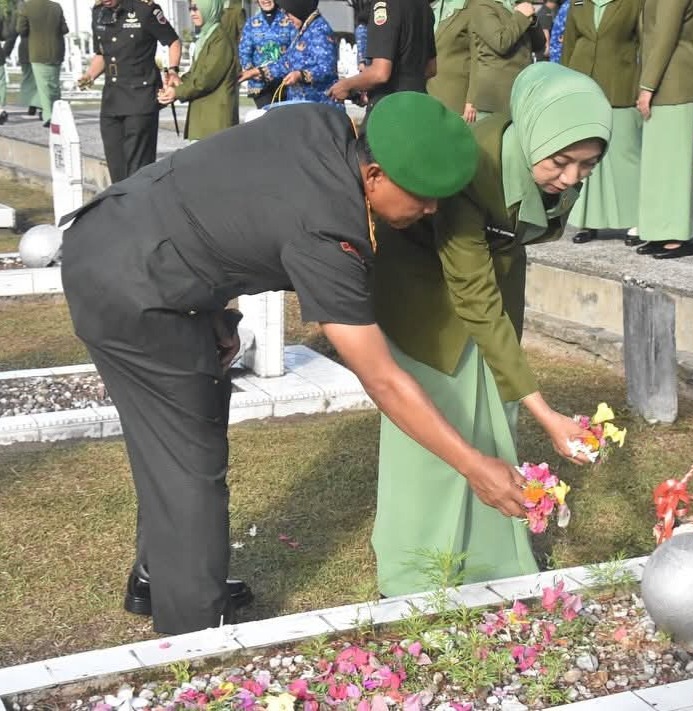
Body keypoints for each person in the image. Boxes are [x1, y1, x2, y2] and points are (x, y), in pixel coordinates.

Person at [60, 92, 531, 635]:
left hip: (128, 241)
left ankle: (161, 576)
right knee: (188, 453)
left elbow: (218, 198)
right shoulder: (331, 234)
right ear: (374, 174)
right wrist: (476, 467)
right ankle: (193, 628)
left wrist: (211, 307)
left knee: (176, 433)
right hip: (131, 286)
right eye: (425, 199)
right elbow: (382, 379)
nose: (432, 212)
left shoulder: (323, 123)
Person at [371, 64, 611, 597]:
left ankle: (488, 560)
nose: (571, 178)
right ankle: (414, 572)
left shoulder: (541, 156)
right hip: (423, 291)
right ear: (533, 136)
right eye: (561, 162)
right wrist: (545, 411)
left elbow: (506, 259)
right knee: (435, 428)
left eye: (587, 165)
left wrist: (525, 397)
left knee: (490, 422)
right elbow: (472, 296)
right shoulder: (472, 164)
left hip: (491, 277)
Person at [561, 0, 644, 244]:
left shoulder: (633, 4)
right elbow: (569, 46)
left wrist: (643, 86)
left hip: (621, 87)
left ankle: (636, 220)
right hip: (582, 87)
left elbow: (644, 46)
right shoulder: (578, 3)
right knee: (585, 155)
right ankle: (588, 222)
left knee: (625, 156)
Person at [78, 0, 181, 184]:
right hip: (112, 101)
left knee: (138, 169)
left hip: (140, 98)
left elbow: (173, 41)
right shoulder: (99, 13)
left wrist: (173, 70)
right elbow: (102, 54)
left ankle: (139, 209)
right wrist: (89, 76)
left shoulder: (145, 10)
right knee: (116, 168)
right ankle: (122, 208)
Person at [634, 0, 693, 259]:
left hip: (674, 82)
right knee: (659, 165)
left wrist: (647, 86)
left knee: (673, 165)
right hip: (662, 82)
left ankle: (678, 236)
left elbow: (665, 36)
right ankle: (661, 231)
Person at [328, 0, 436, 107]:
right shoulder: (424, 6)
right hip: (419, 103)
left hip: (389, 108)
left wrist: (346, 85)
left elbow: (380, 73)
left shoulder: (385, 5)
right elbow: (431, 68)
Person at [157, 0, 238, 140]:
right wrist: (178, 81)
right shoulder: (205, 37)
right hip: (203, 117)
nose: (192, 13)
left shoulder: (220, 40)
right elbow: (196, 73)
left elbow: (206, 79)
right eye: (190, 8)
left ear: (209, 9)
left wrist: (177, 92)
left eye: (196, 8)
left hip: (215, 120)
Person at [238, 0, 339, 107]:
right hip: (301, 105)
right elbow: (286, 63)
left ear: (298, 9)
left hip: (318, 105)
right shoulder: (304, 29)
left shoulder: (319, 31)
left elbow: (327, 69)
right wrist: (255, 72)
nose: (286, 18)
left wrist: (300, 75)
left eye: (288, 13)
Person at [467, 0, 545, 118]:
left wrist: (532, 21)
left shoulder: (517, 4)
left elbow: (539, 44)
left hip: (523, 93)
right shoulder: (482, 5)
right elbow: (500, 43)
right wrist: (521, 16)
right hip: (496, 99)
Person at [16, 0, 67, 127]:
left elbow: (21, 30)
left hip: (38, 52)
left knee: (43, 87)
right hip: (57, 51)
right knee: (55, 85)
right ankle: (59, 115)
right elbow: (65, 29)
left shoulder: (26, 7)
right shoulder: (57, 6)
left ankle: (48, 117)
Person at [237, 0, 295, 107]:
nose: (266, 0)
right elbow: (244, 52)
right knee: (267, 117)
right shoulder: (251, 24)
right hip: (260, 85)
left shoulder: (288, 21)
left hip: (284, 83)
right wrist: (251, 71)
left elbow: (294, 50)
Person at [427, 0, 474, 119]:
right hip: (428, 96)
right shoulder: (426, 8)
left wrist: (472, 100)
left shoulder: (472, 7)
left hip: (456, 97)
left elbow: (479, 58)